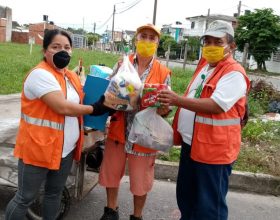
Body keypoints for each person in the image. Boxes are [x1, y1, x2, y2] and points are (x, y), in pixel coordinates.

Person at [5, 29, 112, 220]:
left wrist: (109, 99)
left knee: (54, 194)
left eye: (67, 47)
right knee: (25, 198)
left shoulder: (70, 76)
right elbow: (62, 107)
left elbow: (82, 100)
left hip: (65, 150)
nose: (62, 51)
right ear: (45, 50)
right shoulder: (40, 75)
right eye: (56, 47)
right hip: (38, 149)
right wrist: (95, 109)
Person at [158, 20, 250, 220]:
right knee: (187, 198)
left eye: (218, 42)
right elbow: (192, 97)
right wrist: (171, 104)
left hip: (214, 151)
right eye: (207, 41)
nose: (211, 47)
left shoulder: (234, 72)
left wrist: (176, 99)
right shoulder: (205, 67)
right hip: (192, 145)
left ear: (232, 46)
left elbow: (217, 105)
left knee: (209, 207)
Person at [98, 23, 172, 220]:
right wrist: (117, 98)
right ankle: (110, 210)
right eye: (143, 36)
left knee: (141, 180)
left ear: (157, 43)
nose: (147, 41)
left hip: (144, 134)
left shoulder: (163, 72)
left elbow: (166, 107)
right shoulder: (123, 64)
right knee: (111, 173)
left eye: (151, 38)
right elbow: (109, 91)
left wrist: (164, 110)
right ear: (136, 39)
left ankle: (137, 216)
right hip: (118, 129)